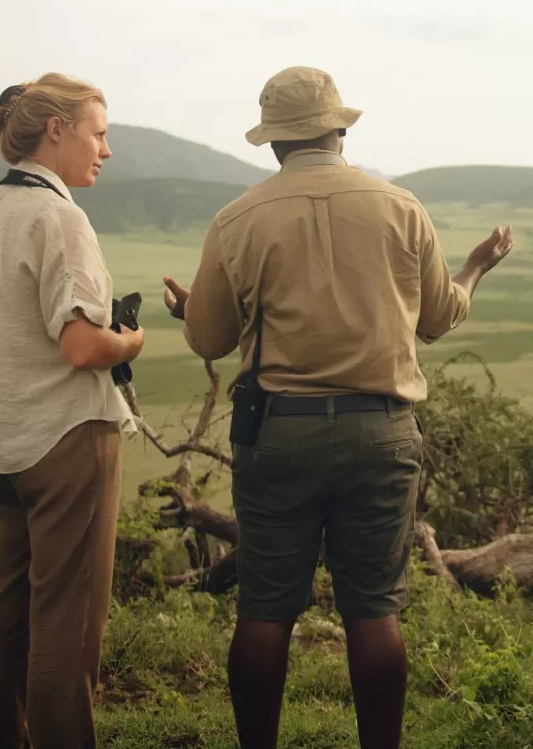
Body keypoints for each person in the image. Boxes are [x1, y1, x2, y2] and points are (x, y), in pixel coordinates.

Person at [161, 66, 513, 749]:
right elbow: (439, 319)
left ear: (272, 144)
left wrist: (189, 310)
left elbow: (209, 337)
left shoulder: (237, 219)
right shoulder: (400, 207)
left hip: (278, 433)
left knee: (264, 612)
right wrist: (474, 267)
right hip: (380, 432)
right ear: (339, 130)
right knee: (374, 612)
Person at [0, 74, 143, 749]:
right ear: (57, 130)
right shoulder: (60, 218)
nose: (105, 149)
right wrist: (130, 339)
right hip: (65, 440)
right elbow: (81, 346)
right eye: (98, 132)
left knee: (6, 615)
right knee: (67, 632)